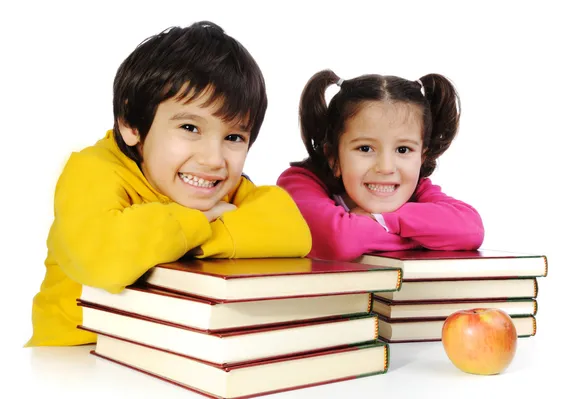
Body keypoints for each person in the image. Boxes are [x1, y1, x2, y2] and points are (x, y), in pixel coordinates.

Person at [26, 21, 311, 347]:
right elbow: (104, 258)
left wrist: (197, 236)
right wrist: (200, 219)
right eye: (190, 128)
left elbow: (292, 230)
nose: (213, 159)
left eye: (233, 137)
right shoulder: (92, 169)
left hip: (164, 354)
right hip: (72, 358)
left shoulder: (217, 184)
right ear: (130, 123)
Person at [277, 69, 483, 262]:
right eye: (365, 148)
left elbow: (471, 229)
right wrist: (425, 238)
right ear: (333, 157)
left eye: (403, 150)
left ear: (422, 157)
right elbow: (340, 241)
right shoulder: (298, 184)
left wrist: (383, 220)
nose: (385, 168)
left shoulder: (417, 189)